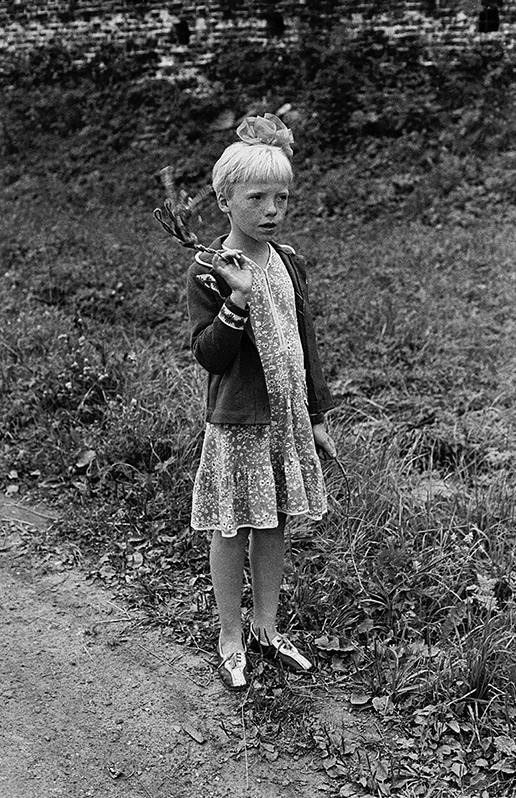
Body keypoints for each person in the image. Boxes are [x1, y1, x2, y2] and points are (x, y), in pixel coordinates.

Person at [186, 113, 336, 690]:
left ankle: (266, 629)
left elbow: (306, 341)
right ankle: (229, 634)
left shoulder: (288, 260)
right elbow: (211, 356)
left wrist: (317, 417)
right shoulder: (210, 270)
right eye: (257, 198)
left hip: (287, 419)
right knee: (234, 526)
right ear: (226, 200)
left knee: (273, 524)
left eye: (281, 197)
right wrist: (238, 298)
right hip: (241, 422)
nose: (272, 210)